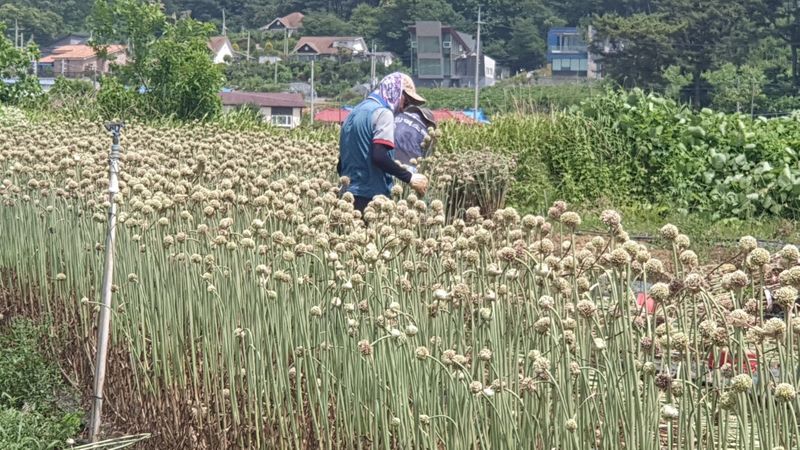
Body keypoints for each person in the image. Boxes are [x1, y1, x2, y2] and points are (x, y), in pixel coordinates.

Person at [337, 72, 429, 213]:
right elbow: (379, 156)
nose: (404, 108)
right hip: (371, 197)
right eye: (406, 101)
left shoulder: (353, 113)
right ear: (395, 90)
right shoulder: (383, 114)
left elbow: (341, 163)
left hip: (347, 196)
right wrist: (409, 178)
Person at [394, 105, 437, 170]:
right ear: (428, 123)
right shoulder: (425, 133)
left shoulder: (397, 116)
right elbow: (427, 156)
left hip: (386, 158)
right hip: (408, 166)